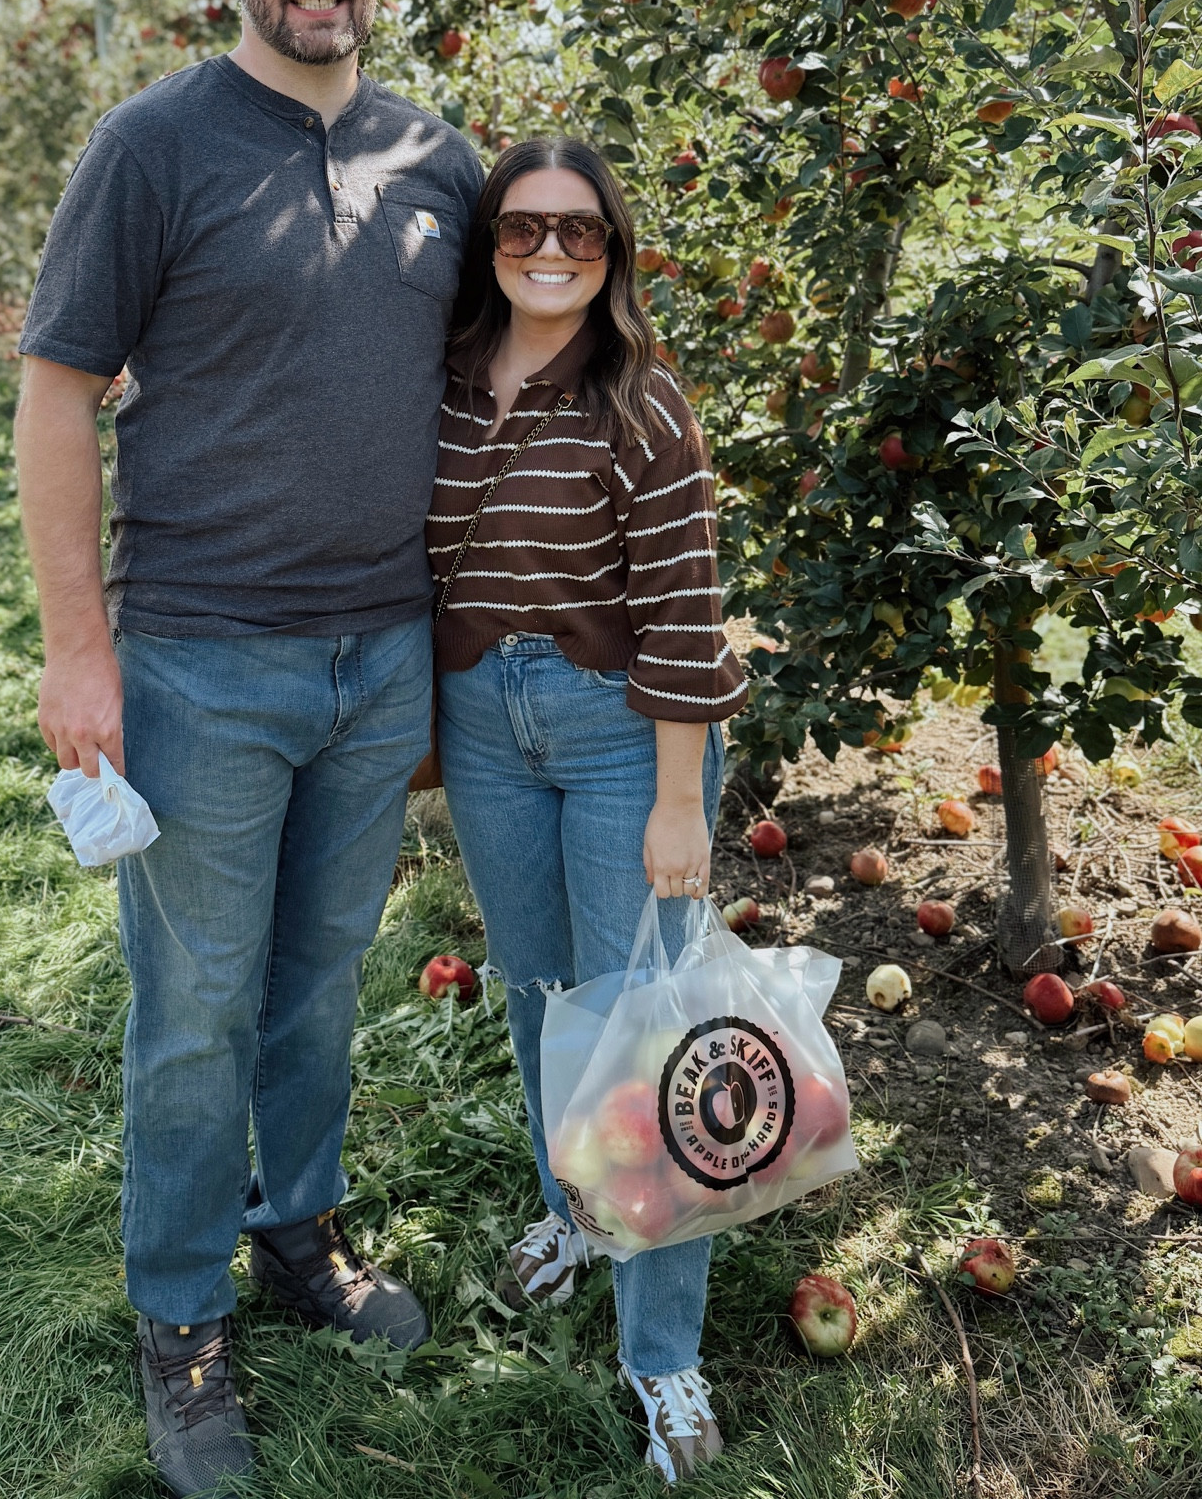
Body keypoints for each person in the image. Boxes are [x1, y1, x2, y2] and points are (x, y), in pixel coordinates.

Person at [13, 0, 484, 1497]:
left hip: (382, 663)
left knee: (314, 981)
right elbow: (58, 389)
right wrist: (82, 652)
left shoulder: (442, 159)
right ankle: (176, 1314)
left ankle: (298, 1228)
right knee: (194, 1005)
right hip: (205, 657)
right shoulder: (154, 147)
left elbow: (504, 395)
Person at [427, 138, 746, 1487]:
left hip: (622, 729)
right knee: (540, 993)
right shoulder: (438, 389)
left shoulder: (640, 401)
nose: (551, 253)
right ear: (486, 241)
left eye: (582, 233)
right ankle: (578, 1212)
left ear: (613, 251)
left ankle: (663, 1350)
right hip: (485, 727)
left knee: (648, 1033)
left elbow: (684, 609)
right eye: (523, 228)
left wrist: (681, 800)